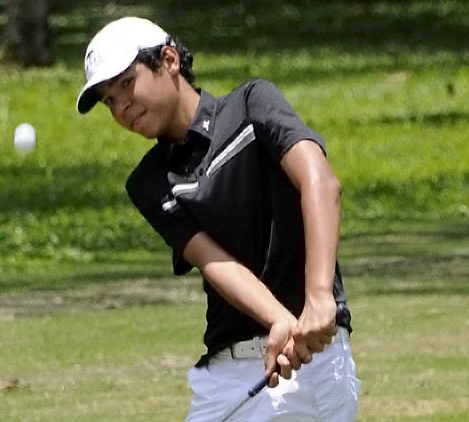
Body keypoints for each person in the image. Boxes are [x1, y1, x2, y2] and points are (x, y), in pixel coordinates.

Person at [76, 16, 360, 421]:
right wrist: (278, 318)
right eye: (108, 99)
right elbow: (216, 263)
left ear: (169, 59)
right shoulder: (150, 182)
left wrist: (317, 297)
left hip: (306, 368)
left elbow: (320, 183)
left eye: (126, 83)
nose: (121, 105)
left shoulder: (251, 105)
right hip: (226, 376)